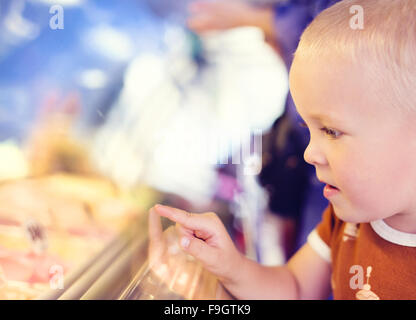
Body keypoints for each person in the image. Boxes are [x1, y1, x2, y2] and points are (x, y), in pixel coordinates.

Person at [150, 0, 416, 299]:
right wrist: (230, 268)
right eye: (308, 130)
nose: (309, 153)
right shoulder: (345, 222)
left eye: (331, 131)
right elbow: (295, 288)